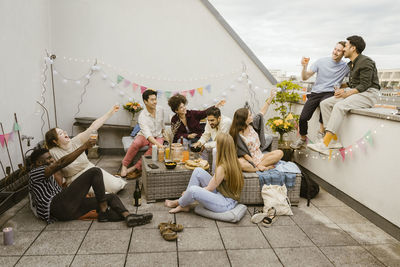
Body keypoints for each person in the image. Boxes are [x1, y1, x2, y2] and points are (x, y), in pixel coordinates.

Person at [28, 139, 153, 226]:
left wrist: (82, 195)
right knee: (94, 171)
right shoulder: (35, 173)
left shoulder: (48, 173)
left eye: (51, 157)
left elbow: (60, 188)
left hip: (67, 211)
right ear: (38, 163)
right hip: (56, 207)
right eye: (48, 158)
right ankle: (103, 210)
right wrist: (83, 147)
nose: (51, 160)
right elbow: (60, 163)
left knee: (111, 197)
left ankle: (128, 216)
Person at [308, 35, 380, 153]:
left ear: (353, 48)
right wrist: (342, 88)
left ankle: (325, 143)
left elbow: (365, 85)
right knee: (325, 103)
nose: (343, 49)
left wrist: (347, 93)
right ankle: (332, 140)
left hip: (369, 94)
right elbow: (353, 83)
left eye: (346, 46)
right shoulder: (350, 64)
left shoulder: (366, 62)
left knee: (339, 106)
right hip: (357, 93)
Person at [46, 105, 126, 193]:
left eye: (63, 131)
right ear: (55, 141)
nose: (65, 132)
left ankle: (114, 179)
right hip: (74, 179)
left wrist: (110, 113)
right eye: (60, 133)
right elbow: (55, 173)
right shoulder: (52, 152)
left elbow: (93, 127)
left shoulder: (76, 140)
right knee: (101, 194)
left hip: (90, 169)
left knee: (116, 187)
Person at [164, 133, 244, 214]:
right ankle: (185, 205)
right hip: (223, 195)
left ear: (221, 147)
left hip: (225, 204)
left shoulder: (222, 167)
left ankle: (180, 203)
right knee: (198, 171)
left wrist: (188, 194)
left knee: (193, 190)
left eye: (217, 144)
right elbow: (215, 183)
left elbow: (209, 188)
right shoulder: (233, 160)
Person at [291, 41, 350, 149]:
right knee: (303, 118)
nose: (335, 52)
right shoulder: (321, 61)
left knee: (325, 104)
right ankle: (303, 139)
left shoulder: (345, 67)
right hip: (315, 92)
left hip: (330, 92)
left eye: (339, 51)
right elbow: (305, 78)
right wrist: (304, 67)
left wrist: (340, 86)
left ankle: (321, 133)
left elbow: (353, 81)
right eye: (335, 49)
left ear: (343, 54)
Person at [229, 90, 283, 172]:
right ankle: (261, 167)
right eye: (250, 115)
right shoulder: (236, 134)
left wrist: (271, 97)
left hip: (260, 156)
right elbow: (244, 154)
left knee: (279, 152)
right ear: (244, 120)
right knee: (241, 164)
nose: (252, 116)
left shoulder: (251, 124)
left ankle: (259, 167)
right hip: (248, 159)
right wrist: (254, 163)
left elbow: (262, 112)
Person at [121, 90, 165, 178]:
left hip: (158, 135)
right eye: (152, 100)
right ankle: (124, 165)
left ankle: (135, 167)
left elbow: (162, 124)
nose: (155, 102)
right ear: (145, 101)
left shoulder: (161, 110)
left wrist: (163, 136)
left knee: (154, 148)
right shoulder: (142, 116)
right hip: (145, 135)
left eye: (155, 99)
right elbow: (148, 136)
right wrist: (160, 146)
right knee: (136, 143)